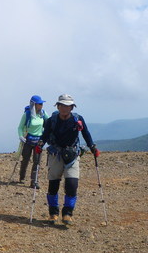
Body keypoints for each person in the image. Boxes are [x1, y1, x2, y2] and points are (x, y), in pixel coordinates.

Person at [37, 94, 100, 224]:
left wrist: (92, 147)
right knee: (53, 185)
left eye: (68, 106)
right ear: (58, 106)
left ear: (72, 107)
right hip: (55, 154)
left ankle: (67, 214)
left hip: (72, 155)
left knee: (72, 185)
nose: (65, 108)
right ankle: (53, 213)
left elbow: (86, 133)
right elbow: (45, 134)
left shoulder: (78, 119)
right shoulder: (52, 120)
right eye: (63, 106)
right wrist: (40, 144)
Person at [16, 95, 48, 188]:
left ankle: (34, 181)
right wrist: (21, 136)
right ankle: (22, 176)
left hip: (39, 141)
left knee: (37, 161)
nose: (42, 105)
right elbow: (20, 127)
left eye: (42, 104)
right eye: (40, 104)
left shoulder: (43, 113)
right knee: (25, 159)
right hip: (28, 140)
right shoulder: (27, 114)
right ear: (34, 104)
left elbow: (49, 121)